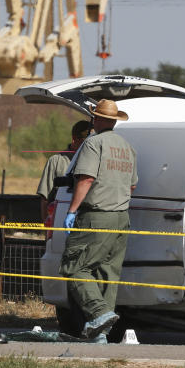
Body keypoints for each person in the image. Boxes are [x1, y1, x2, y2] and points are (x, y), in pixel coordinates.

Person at [59, 99, 137, 339]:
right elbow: (132, 186)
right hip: (121, 217)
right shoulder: (127, 147)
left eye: (95, 117)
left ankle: (99, 313)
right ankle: (100, 333)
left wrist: (72, 210)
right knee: (107, 274)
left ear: (99, 119)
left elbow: (86, 179)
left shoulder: (93, 144)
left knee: (75, 267)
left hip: (96, 216)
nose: (93, 121)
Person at [36, 119, 93, 224]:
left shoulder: (94, 161)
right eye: (84, 142)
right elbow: (44, 197)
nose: (88, 145)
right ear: (74, 139)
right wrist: (46, 224)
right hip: (60, 218)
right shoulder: (56, 161)